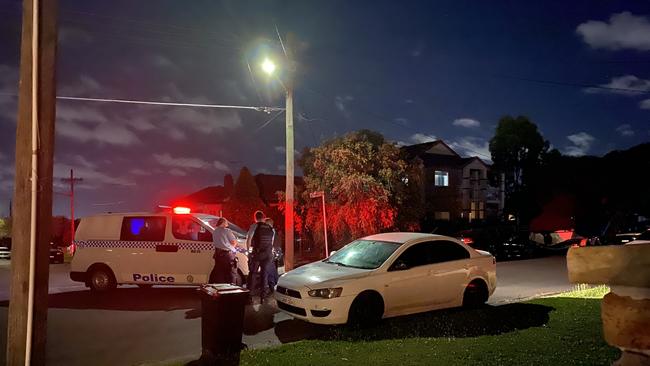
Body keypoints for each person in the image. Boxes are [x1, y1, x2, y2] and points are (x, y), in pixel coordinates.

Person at [246, 211, 275, 301]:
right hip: (268, 254)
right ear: (263, 217)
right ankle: (263, 296)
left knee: (253, 274)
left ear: (255, 218)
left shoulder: (254, 226)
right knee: (264, 274)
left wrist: (248, 252)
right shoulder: (271, 229)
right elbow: (271, 242)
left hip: (258, 254)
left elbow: (249, 239)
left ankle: (249, 295)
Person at [209, 218, 238, 284]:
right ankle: (231, 289)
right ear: (223, 223)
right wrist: (232, 248)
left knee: (219, 273)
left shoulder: (215, 231)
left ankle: (220, 288)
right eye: (226, 222)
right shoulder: (227, 231)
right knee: (231, 273)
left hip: (218, 254)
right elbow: (234, 242)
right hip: (227, 255)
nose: (227, 224)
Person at [264, 218, 279, 291]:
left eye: (265, 223)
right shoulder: (273, 231)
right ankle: (274, 285)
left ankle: (274, 286)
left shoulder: (271, 231)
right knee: (271, 269)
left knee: (270, 269)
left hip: (270, 252)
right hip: (271, 252)